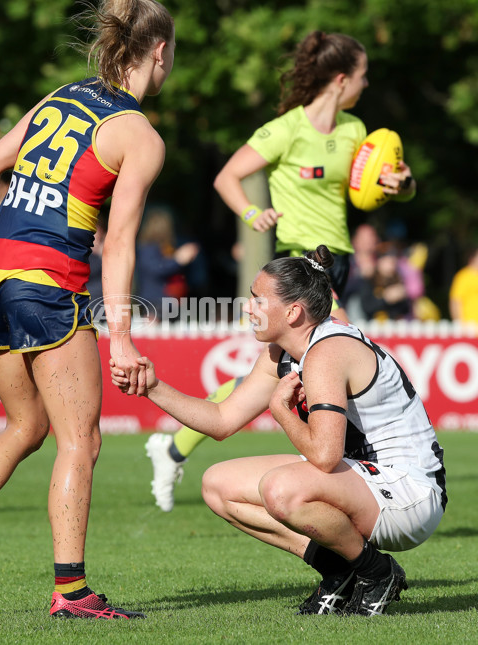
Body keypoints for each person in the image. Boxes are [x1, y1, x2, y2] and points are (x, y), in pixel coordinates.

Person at [0, 0, 175, 620]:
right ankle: (71, 591)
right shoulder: (139, 135)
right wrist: (121, 333)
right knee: (79, 439)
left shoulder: (61, 98)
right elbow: (117, 242)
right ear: (160, 54)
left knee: (27, 425)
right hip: (46, 284)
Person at [146, 30, 418, 511]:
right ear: (340, 80)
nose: (367, 84)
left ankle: (172, 447)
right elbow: (226, 176)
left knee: (276, 368)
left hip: (340, 258)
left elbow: (380, 187)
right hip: (302, 261)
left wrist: (403, 183)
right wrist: (253, 216)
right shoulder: (287, 128)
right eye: (363, 76)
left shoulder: (356, 131)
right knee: (334, 352)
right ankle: (345, 467)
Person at [117, 246, 447, 616]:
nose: (247, 307)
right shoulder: (281, 353)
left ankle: (376, 571)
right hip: (362, 481)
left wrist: (281, 410)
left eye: (258, 299)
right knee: (217, 485)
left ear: (293, 312)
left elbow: (324, 456)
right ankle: (338, 568)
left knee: (281, 489)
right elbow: (222, 420)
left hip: (410, 494)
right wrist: (152, 387)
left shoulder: (327, 352)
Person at [135, 208, 200, 319]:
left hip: (168, 300)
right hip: (154, 301)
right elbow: (156, 269)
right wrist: (178, 260)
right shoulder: (147, 247)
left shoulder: (166, 247)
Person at [449, 245, 478, 327]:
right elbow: (455, 301)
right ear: (472, 258)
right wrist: (459, 323)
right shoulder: (463, 276)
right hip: (469, 326)